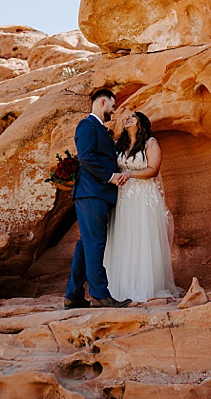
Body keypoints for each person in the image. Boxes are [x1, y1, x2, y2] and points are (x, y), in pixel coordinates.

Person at [64, 88, 133, 309]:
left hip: (95, 194)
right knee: (95, 244)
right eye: (112, 107)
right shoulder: (87, 125)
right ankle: (100, 295)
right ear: (103, 103)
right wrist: (111, 177)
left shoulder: (100, 129)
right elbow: (86, 157)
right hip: (92, 192)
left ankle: (73, 296)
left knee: (86, 245)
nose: (113, 112)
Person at [103, 111, 178, 303]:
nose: (128, 118)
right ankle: (120, 288)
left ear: (141, 123)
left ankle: (144, 286)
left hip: (143, 196)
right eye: (127, 117)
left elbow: (153, 169)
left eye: (133, 117)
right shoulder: (119, 145)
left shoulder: (150, 143)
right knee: (123, 237)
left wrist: (130, 175)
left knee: (142, 237)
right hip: (122, 198)